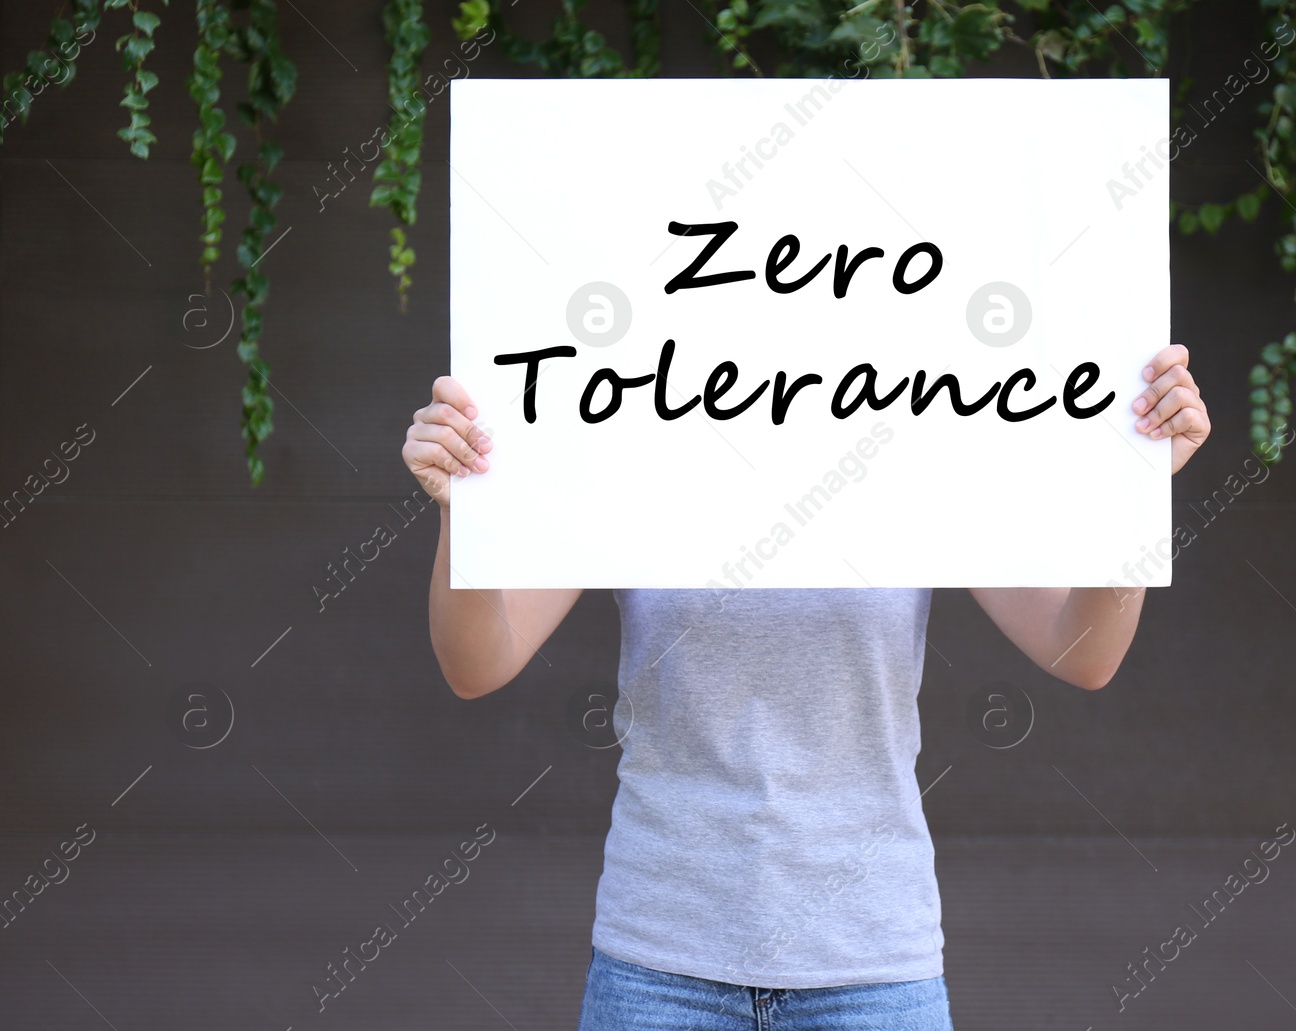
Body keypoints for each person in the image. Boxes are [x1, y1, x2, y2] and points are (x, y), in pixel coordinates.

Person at [401, 345, 1209, 1030]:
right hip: (660, 964)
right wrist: (463, 510)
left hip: (873, 969)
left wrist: (1134, 499)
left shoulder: (924, 426)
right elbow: (478, 664)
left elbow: (1083, 651)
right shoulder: (628, 417)